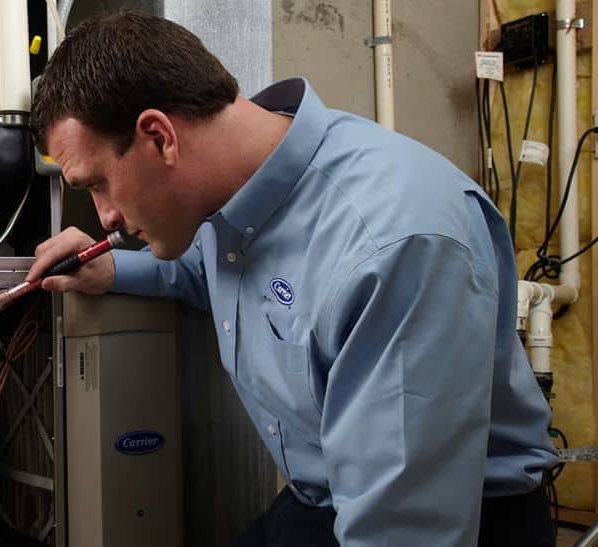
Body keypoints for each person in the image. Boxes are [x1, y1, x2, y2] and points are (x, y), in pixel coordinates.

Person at [28, 10, 557, 547]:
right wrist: (111, 267)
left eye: (97, 185)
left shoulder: (395, 247)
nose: (104, 218)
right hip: (321, 501)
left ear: (160, 138)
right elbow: (212, 269)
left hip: (441, 518)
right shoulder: (233, 192)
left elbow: (403, 531)